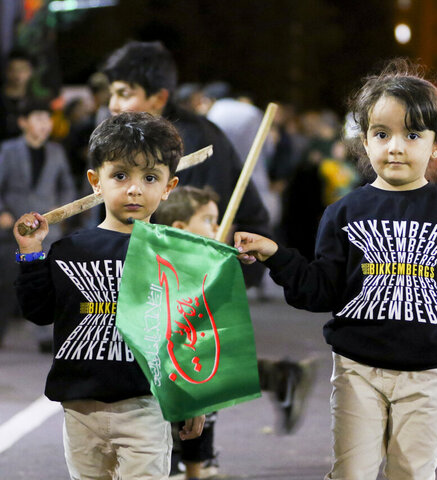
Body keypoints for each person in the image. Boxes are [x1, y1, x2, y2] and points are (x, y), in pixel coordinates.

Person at [234, 59, 437, 480]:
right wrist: (276, 255)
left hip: (429, 377)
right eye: (382, 134)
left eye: (412, 134)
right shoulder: (344, 212)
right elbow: (320, 291)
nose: (395, 146)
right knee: (351, 474)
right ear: (365, 141)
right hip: (358, 371)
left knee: (411, 474)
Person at [12, 111, 204, 479]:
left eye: (149, 177)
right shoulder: (69, 251)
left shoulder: (175, 255)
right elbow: (37, 311)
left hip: (145, 406)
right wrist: (32, 252)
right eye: (120, 176)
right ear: (95, 182)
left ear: (168, 187)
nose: (134, 188)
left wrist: (196, 396)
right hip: (79, 409)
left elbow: (188, 332)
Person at [153, 185, 318, 480]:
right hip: (163, 379)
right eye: (209, 221)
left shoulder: (211, 267)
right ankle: (281, 376)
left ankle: (194, 467)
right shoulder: (159, 273)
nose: (220, 228)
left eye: (218, 220)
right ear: (179, 227)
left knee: (204, 395)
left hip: (196, 368)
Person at [100, 40, 271, 288]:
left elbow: (198, 227)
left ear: (159, 98)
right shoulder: (127, 137)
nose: (112, 105)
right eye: (111, 93)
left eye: (124, 94)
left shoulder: (194, 141)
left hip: (186, 284)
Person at [0, 97, 76, 350]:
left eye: (47, 119)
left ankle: (46, 338)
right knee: (7, 282)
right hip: (14, 228)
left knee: (47, 281)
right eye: (39, 118)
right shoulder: (9, 149)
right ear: (23, 122)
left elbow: (66, 185)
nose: (45, 125)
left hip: (48, 228)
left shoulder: (56, 150)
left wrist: (63, 211)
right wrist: (2, 212)